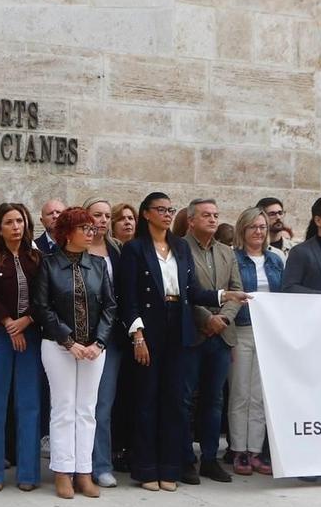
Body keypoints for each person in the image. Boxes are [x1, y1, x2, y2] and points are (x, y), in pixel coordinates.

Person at [117, 192, 233, 491]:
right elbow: (128, 297)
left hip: (178, 324)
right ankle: (146, 469)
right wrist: (137, 335)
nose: (167, 214)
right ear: (146, 213)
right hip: (148, 324)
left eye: (170, 210)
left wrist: (222, 295)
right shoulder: (134, 249)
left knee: (174, 401)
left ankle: (170, 468)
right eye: (161, 209)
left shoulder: (180, 247)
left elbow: (192, 290)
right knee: (147, 399)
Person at [33, 207, 113, 498]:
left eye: (92, 228)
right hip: (58, 347)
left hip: (93, 349)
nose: (91, 232)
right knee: (63, 408)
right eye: (84, 228)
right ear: (67, 233)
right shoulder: (49, 264)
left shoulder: (99, 265)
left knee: (87, 410)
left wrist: (98, 343)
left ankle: (84, 472)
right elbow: (42, 307)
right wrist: (68, 341)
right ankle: (63, 472)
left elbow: (110, 307)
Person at [0, 202, 42, 491]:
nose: (16, 227)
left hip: (30, 334)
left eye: (20, 221)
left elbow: (43, 295)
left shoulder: (36, 257)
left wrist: (25, 321)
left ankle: (28, 474)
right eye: (9, 222)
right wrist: (8, 322)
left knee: (29, 404)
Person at [183, 198, 241, 483]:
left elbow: (236, 290)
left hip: (222, 335)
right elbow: (182, 291)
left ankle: (209, 458)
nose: (212, 219)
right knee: (186, 399)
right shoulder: (180, 248)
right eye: (206, 215)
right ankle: (184, 458)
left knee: (214, 399)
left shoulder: (227, 252)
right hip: (194, 333)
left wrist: (224, 319)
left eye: (216, 215)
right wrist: (207, 319)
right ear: (191, 220)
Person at [228, 206, 286, 475]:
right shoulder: (233, 258)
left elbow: (283, 295)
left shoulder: (276, 260)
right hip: (242, 329)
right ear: (243, 229)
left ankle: (255, 450)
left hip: (267, 332)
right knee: (240, 392)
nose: (259, 232)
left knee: (261, 394)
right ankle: (238, 450)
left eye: (262, 227)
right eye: (253, 227)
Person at [84, 199, 122, 488]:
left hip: (111, 337)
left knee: (104, 405)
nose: (103, 220)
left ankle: (101, 465)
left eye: (107, 216)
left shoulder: (117, 250)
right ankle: (78, 464)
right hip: (81, 337)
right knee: (79, 405)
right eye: (97, 215)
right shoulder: (75, 248)